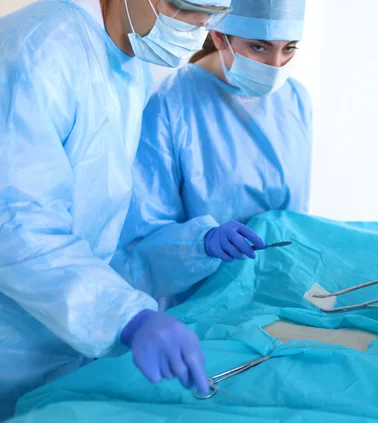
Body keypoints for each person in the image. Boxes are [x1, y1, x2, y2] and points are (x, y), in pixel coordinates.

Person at [0, 0, 231, 418]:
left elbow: (110, 235)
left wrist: (194, 246)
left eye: (213, 13)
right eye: (186, 7)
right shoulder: (38, 49)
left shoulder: (129, 63)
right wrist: (125, 316)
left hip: (62, 338)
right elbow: (15, 224)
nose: (199, 28)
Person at [111, 0, 312, 310]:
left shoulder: (294, 99)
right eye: (259, 47)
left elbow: (296, 214)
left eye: (289, 49)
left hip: (276, 295)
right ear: (219, 36)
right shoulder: (167, 105)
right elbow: (140, 245)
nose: (275, 65)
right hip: (201, 306)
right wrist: (201, 243)